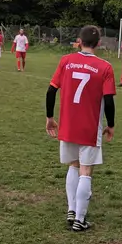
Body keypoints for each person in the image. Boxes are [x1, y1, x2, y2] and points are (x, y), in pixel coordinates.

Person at [46, 25, 116, 233]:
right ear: (99, 43)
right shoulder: (105, 67)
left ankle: (71, 210)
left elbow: (51, 91)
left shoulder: (66, 61)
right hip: (89, 127)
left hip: (68, 125)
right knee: (86, 171)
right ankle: (79, 219)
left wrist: (49, 118)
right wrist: (111, 124)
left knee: (73, 166)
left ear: (79, 41)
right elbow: (109, 101)